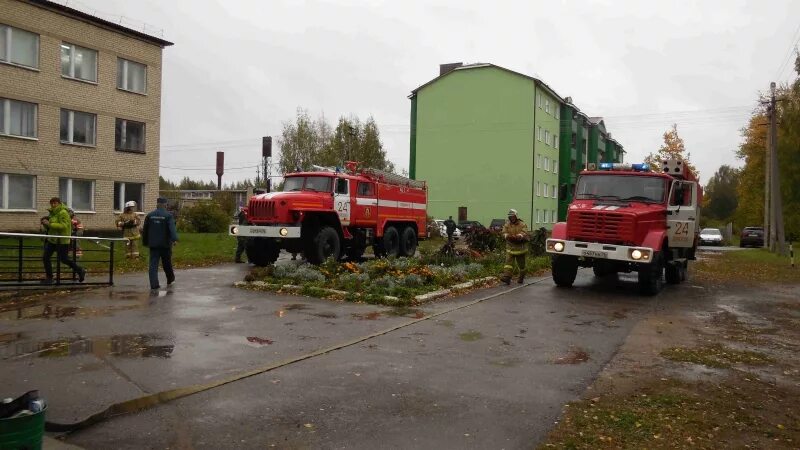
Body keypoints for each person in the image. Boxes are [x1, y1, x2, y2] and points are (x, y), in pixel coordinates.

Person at [41, 197, 85, 284]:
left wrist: (49, 224)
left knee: (64, 259)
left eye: (55, 203)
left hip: (62, 240)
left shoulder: (63, 213)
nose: (53, 205)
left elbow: (63, 226)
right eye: (52, 203)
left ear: (59, 203)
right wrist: (45, 223)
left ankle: (80, 270)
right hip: (53, 240)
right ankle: (49, 278)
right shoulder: (52, 213)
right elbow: (50, 227)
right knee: (46, 257)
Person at [142, 197, 178, 291]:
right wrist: (174, 239)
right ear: (165, 205)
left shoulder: (150, 215)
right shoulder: (168, 216)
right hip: (165, 244)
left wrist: (145, 242)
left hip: (153, 244)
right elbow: (172, 229)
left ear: (157, 204)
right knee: (167, 263)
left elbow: (145, 230)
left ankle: (154, 285)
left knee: (153, 264)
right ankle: (170, 280)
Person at [500, 208, 529, 285]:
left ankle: (521, 277)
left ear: (516, 216)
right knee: (508, 264)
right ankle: (507, 277)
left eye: (513, 216)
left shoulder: (522, 224)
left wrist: (519, 236)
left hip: (520, 249)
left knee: (521, 265)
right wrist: (507, 236)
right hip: (510, 248)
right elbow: (504, 232)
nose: (512, 218)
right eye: (510, 217)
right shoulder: (507, 224)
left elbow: (524, 232)